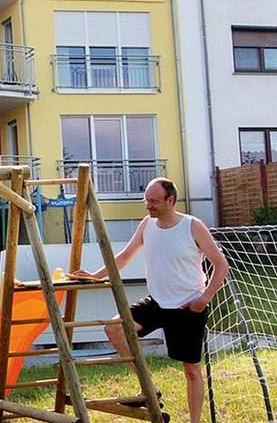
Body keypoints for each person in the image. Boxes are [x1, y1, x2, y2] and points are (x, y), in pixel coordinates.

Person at [74, 177, 229, 423]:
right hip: (156, 303)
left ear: (171, 200)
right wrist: (95, 275)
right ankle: (149, 390)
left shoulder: (193, 226)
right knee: (114, 328)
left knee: (191, 370)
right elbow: (125, 256)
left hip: (187, 306)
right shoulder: (147, 224)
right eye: (146, 200)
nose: (148, 205)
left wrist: (204, 299)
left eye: (154, 201)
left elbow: (221, 266)